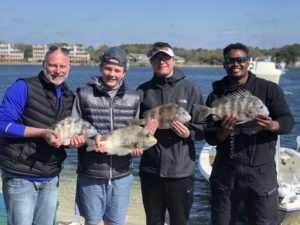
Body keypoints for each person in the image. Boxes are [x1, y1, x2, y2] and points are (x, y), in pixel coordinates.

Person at [204, 43, 294, 225]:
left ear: (248, 62)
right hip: (225, 175)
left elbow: (288, 121)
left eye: (240, 60)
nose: (236, 64)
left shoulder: (269, 89)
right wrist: (223, 131)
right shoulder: (216, 96)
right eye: (230, 61)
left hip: (261, 175)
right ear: (224, 64)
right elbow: (209, 136)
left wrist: (273, 125)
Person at [0, 46, 75, 225]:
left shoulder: (69, 96)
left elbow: (62, 136)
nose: (57, 71)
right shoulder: (23, 87)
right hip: (20, 174)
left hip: (51, 176)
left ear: (69, 67)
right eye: (52, 65)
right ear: (43, 64)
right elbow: (2, 125)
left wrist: (72, 142)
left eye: (62, 66)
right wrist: (42, 132)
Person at [71, 46, 142, 225]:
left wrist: (136, 146)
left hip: (122, 174)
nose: (112, 74)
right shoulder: (84, 93)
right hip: (91, 172)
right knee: (92, 222)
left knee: (116, 222)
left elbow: (134, 132)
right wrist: (90, 139)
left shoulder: (134, 97)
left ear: (124, 73)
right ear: (101, 68)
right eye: (108, 69)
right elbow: (74, 126)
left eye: (117, 70)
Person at [137, 42, 205, 225]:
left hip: (181, 173)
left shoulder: (191, 89)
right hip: (151, 171)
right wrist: (145, 132)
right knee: (153, 221)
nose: (161, 62)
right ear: (151, 62)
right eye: (156, 58)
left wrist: (189, 133)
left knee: (180, 222)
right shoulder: (142, 91)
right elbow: (134, 130)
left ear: (173, 60)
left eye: (165, 58)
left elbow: (204, 128)